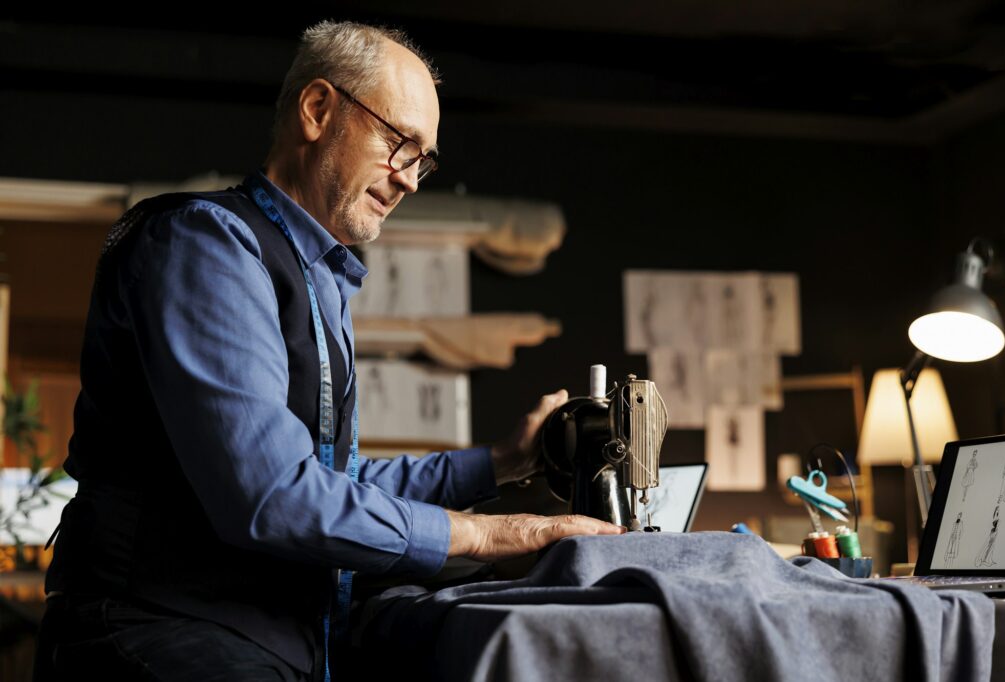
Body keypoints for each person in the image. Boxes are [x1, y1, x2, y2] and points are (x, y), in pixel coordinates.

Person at [34, 20, 623, 681]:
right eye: (400, 144)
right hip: (158, 635)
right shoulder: (208, 247)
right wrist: (489, 534)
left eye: (424, 161)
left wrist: (498, 463)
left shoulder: (318, 281)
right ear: (317, 111)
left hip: (263, 644)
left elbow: (327, 486)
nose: (410, 181)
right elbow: (274, 496)